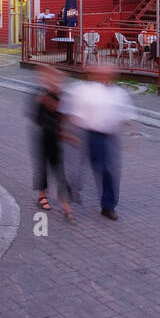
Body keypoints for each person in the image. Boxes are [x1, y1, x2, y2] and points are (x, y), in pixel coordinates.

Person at [63, 64, 133, 221]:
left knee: (108, 171)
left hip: (108, 137)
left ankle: (108, 206)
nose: (105, 77)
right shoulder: (84, 90)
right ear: (93, 75)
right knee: (76, 167)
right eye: (102, 74)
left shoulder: (118, 93)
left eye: (108, 74)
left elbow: (126, 115)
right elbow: (72, 112)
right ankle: (71, 190)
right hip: (85, 133)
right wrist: (69, 132)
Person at [33, 65, 74, 222]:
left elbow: (65, 116)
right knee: (43, 167)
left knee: (59, 170)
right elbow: (37, 119)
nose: (56, 82)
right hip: (44, 137)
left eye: (59, 80)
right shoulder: (41, 95)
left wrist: (65, 131)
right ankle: (42, 196)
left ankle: (65, 204)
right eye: (54, 79)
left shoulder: (62, 96)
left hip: (57, 139)